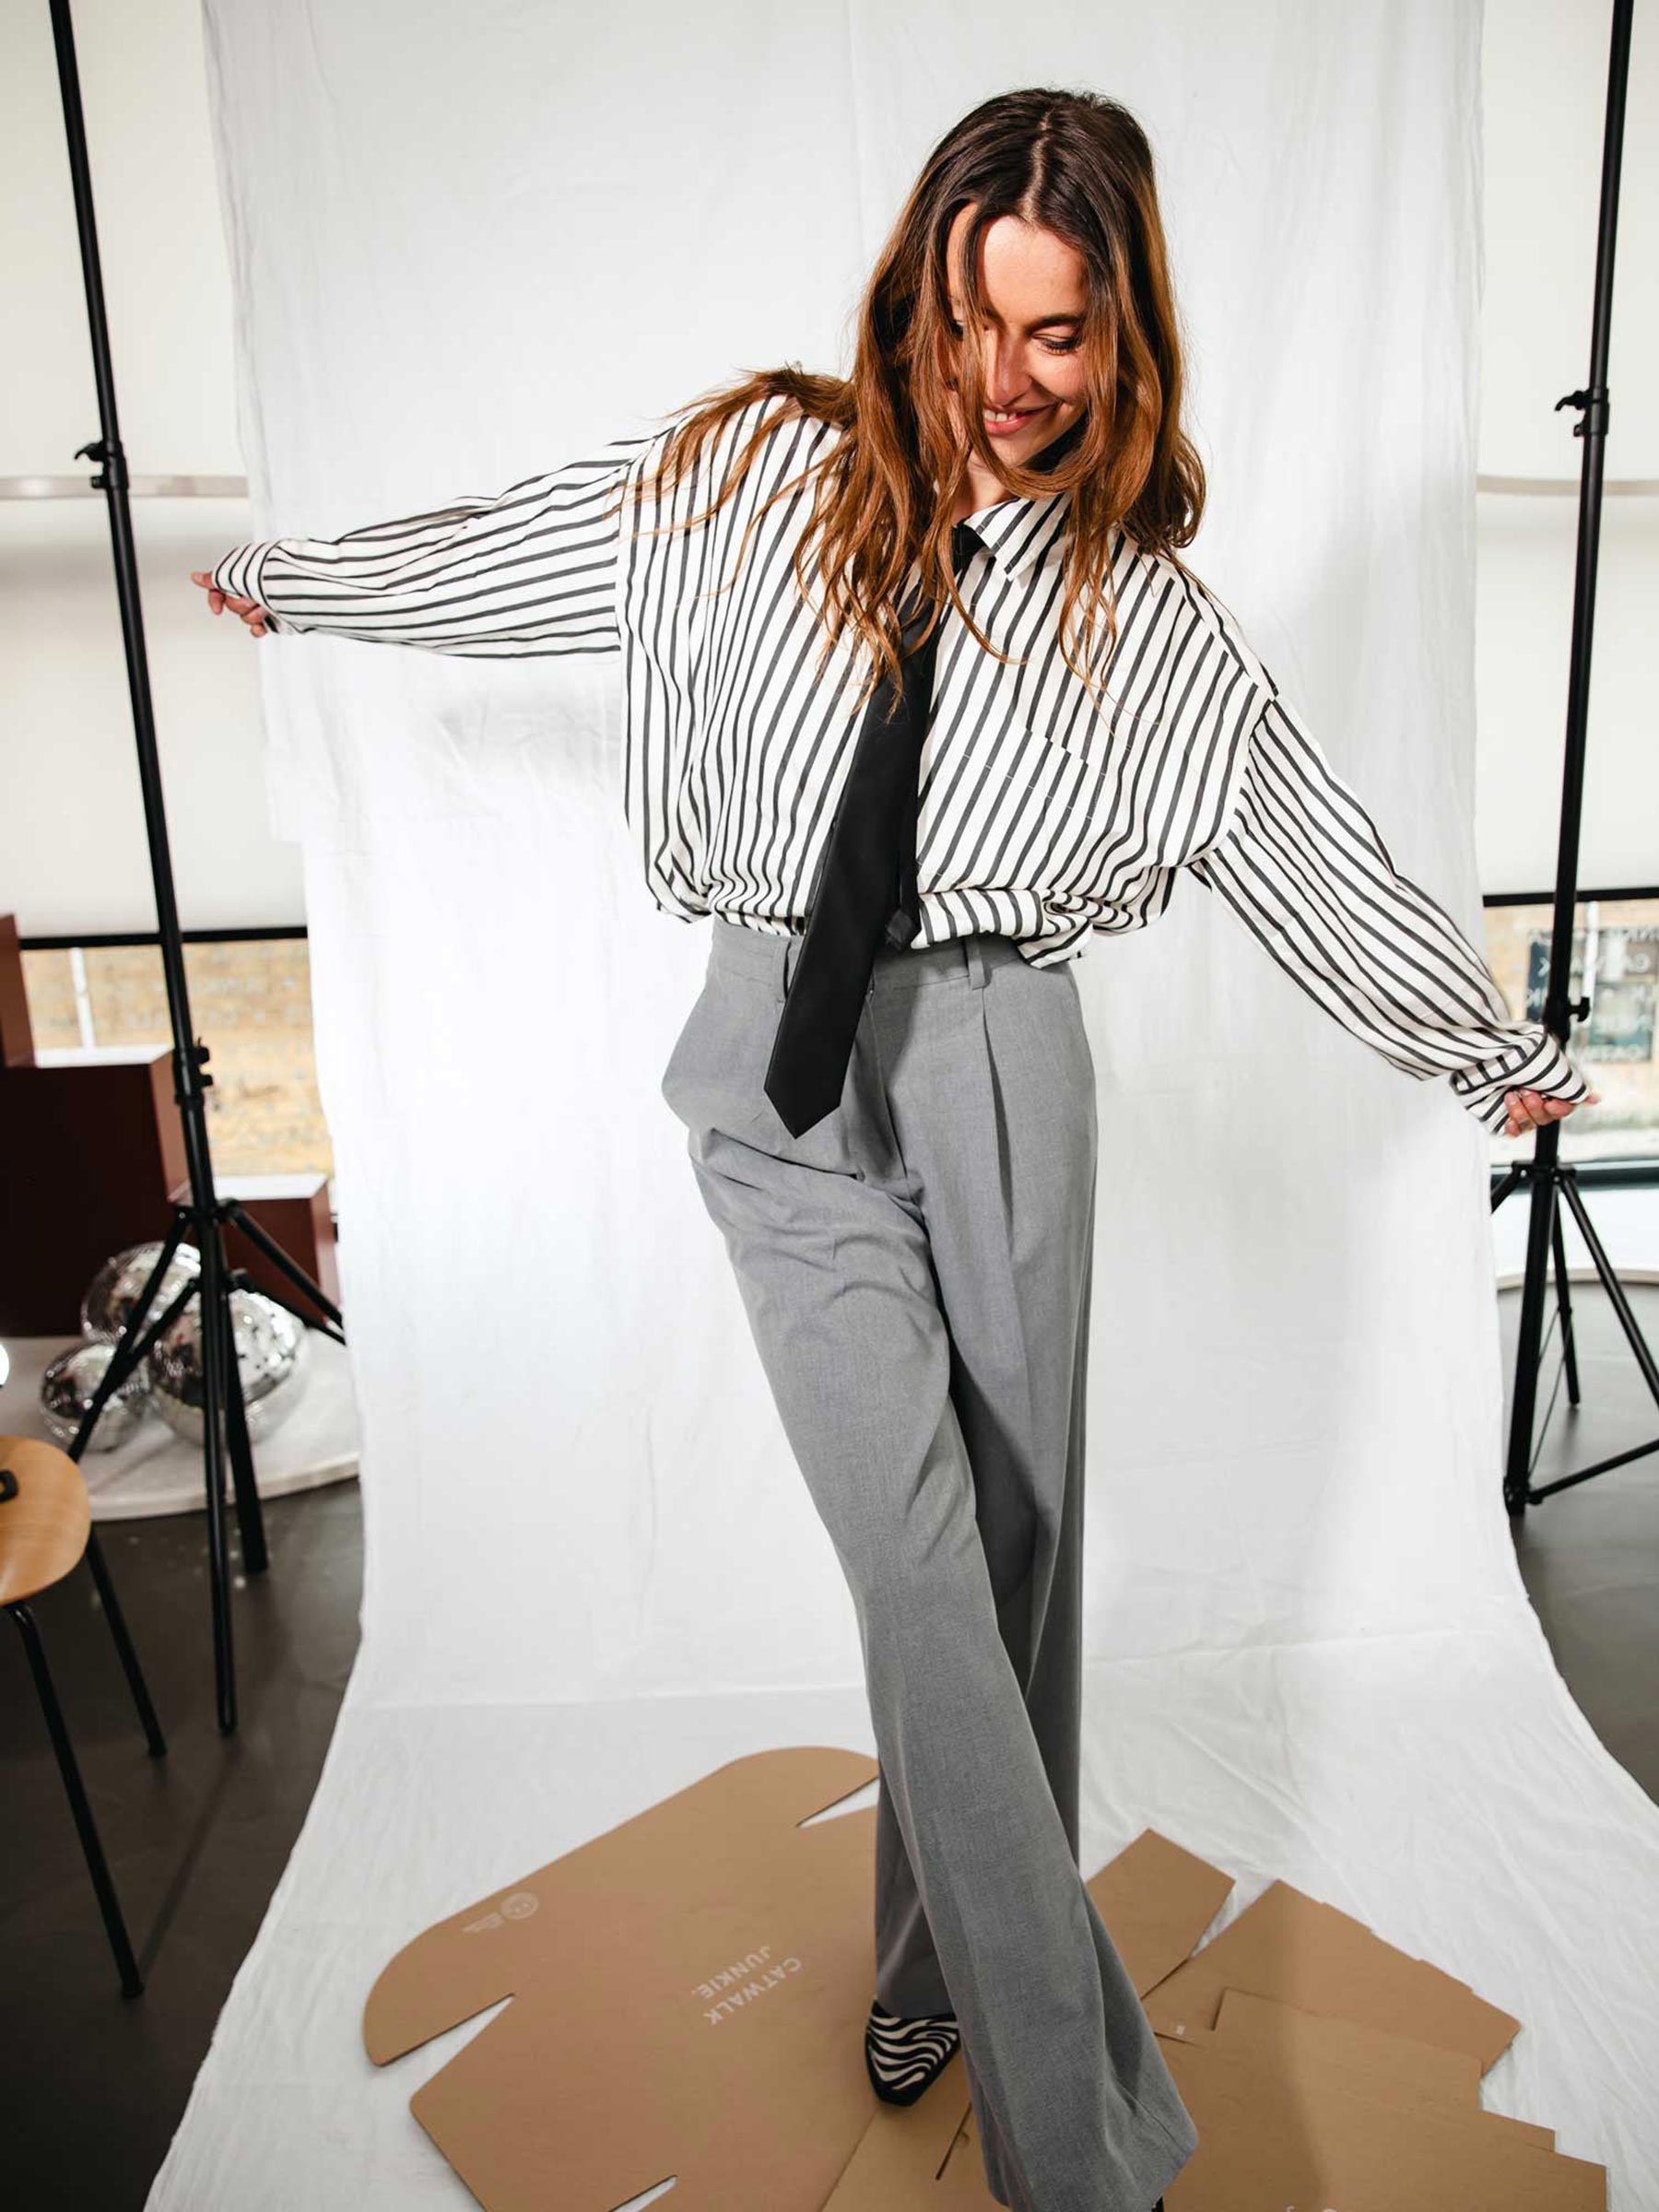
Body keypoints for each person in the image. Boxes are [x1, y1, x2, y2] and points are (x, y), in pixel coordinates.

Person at [194, 85, 1593, 2212]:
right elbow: (522, 543)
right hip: (781, 1070)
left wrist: (1479, 1046)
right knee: (924, 1570)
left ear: (1122, 342)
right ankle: (1084, 2157)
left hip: (1003, 1060)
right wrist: (298, 582)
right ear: (912, 298)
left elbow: (1305, 844)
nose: (1006, 378)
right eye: (973, 320)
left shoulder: (1143, 627)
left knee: (1010, 1569)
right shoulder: (747, 478)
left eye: (1058, 334)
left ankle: (929, 1959)